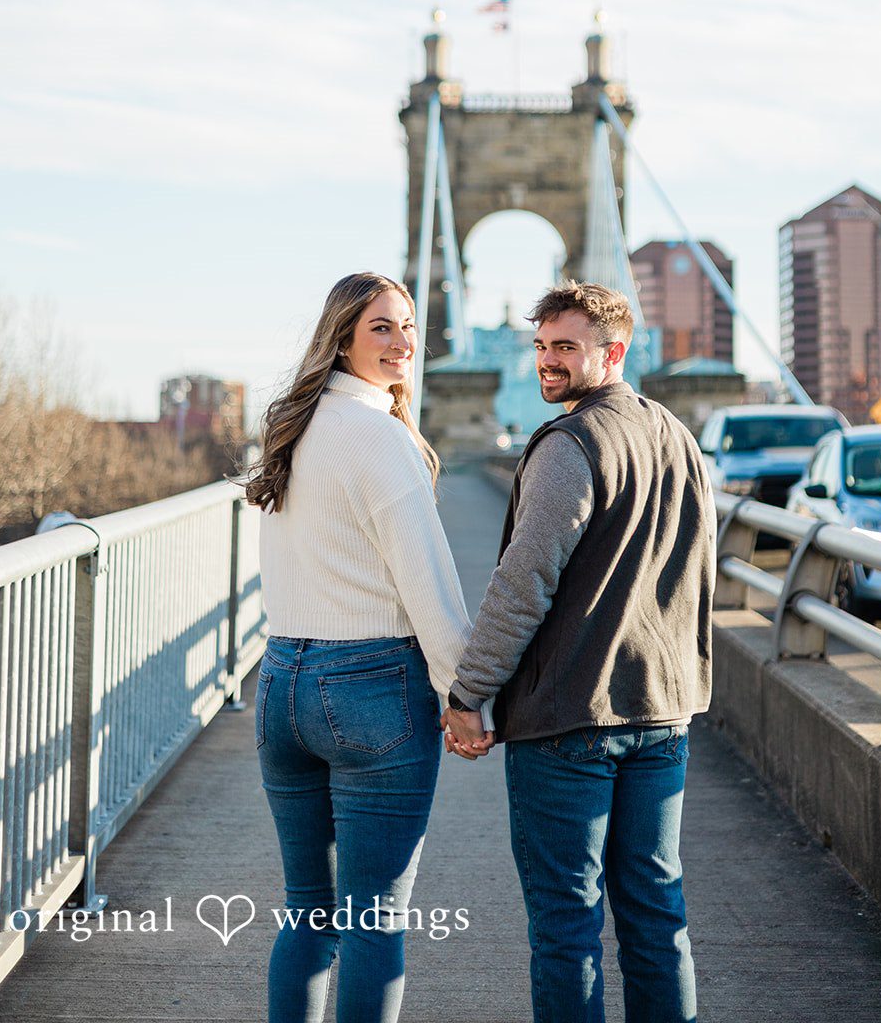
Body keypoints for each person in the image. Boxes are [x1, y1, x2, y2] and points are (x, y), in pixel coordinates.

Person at [442, 281, 716, 1023]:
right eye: (540, 346)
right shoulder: (677, 438)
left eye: (565, 347)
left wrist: (468, 695)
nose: (546, 362)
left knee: (567, 928)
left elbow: (521, 585)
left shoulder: (569, 446)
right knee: (657, 916)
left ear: (613, 352)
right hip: (661, 715)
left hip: (570, 720)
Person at [247, 272, 493, 1023]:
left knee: (308, 915)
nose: (401, 342)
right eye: (380, 327)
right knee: (372, 924)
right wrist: (465, 700)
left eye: (408, 325)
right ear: (342, 338)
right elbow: (428, 588)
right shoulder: (380, 438)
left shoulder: (295, 428)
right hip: (369, 688)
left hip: (281, 683)